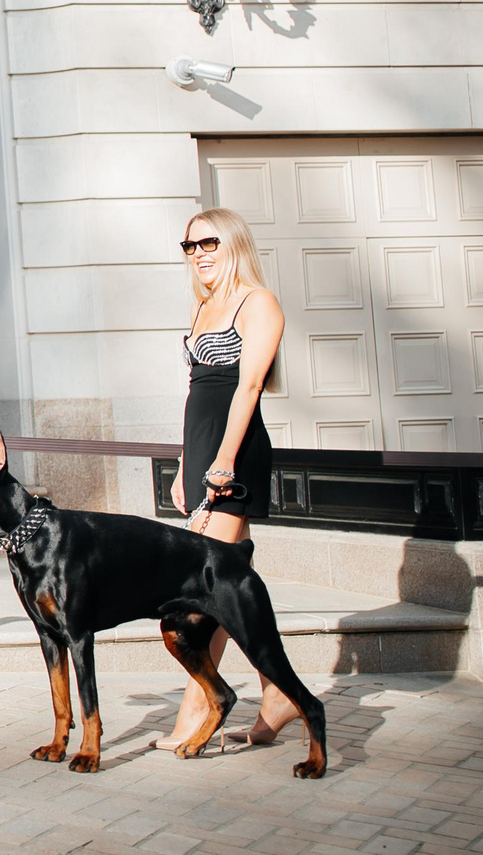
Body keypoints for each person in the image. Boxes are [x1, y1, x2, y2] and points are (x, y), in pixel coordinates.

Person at [156, 206, 299, 754]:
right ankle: (277, 693)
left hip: (234, 454)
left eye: (208, 243)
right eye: (189, 246)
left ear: (233, 241)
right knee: (230, 589)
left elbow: (248, 389)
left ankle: (195, 713)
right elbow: (195, 392)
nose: (199, 254)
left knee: (202, 588)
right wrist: (185, 463)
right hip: (203, 451)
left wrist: (221, 464)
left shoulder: (256, 302)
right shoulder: (202, 306)